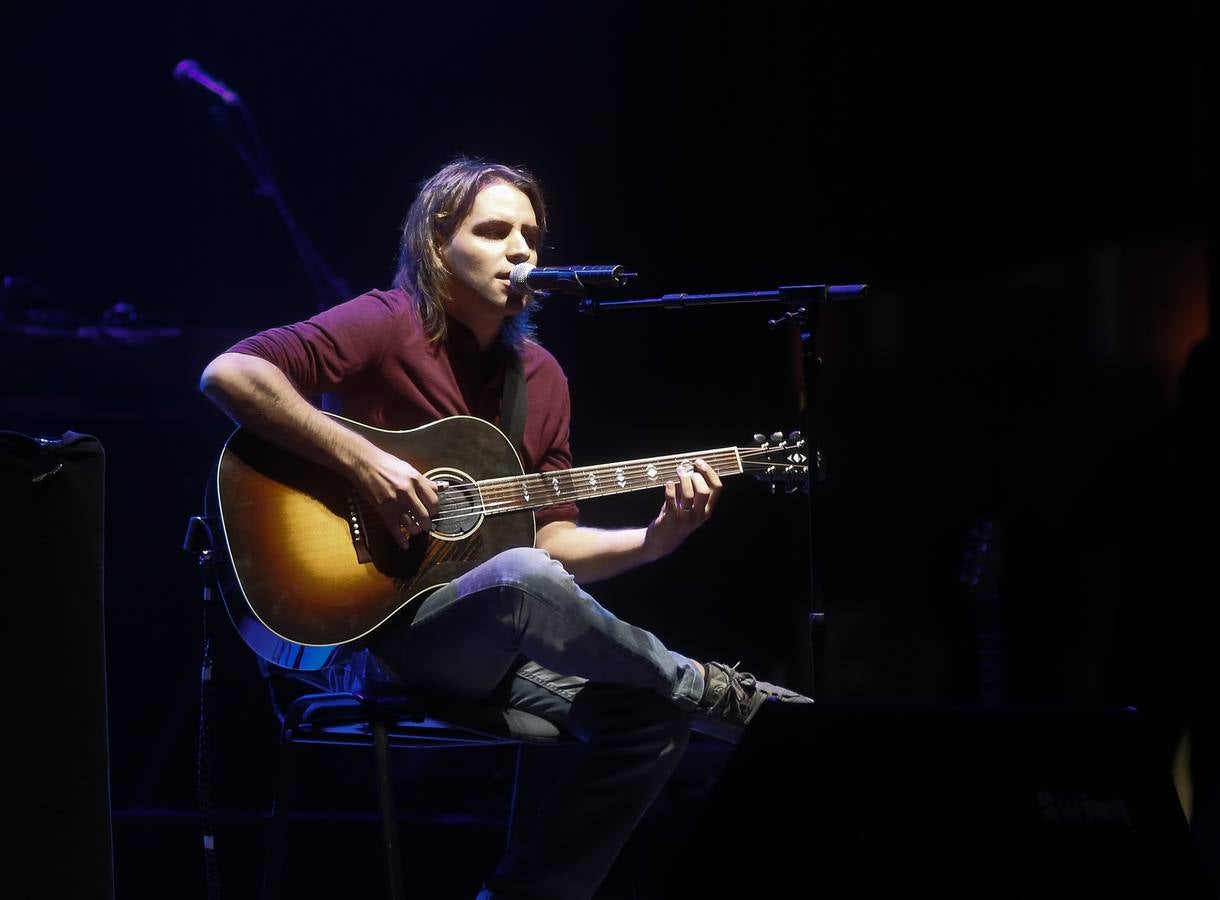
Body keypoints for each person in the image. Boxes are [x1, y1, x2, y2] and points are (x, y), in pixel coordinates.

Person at [199, 156, 810, 899]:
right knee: (562, 608)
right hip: (376, 643)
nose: (520, 250)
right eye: (493, 232)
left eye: (531, 235)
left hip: (483, 648)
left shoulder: (541, 376)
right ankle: (710, 688)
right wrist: (365, 462)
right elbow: (231, 373)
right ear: (436, 244)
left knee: (649, 718)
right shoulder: (386, 323)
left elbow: (549, 544)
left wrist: (656, 540)